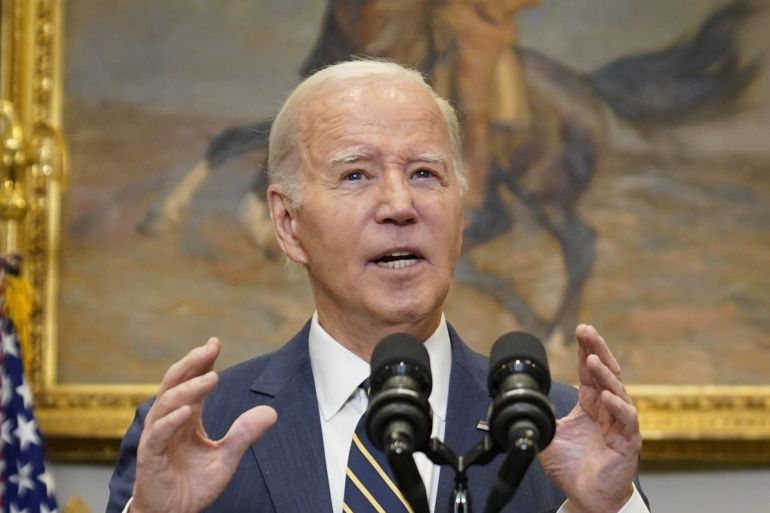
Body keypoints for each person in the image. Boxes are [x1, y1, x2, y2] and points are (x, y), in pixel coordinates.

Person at [107, 59, 648, 513]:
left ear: (462, 216)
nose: (398, 206)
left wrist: (609, 507)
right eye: (356, 175)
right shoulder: (199, 428)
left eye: (424, 174)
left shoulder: (555, 425)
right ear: (289, 224)